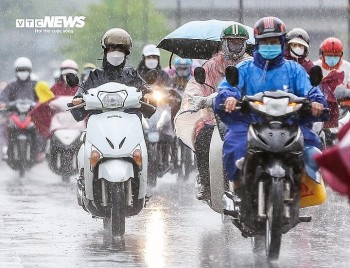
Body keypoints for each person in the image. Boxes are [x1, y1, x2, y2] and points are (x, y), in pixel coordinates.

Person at [214, 16, 327, 199]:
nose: (269, 45)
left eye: (273, 41)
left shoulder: (294, 69)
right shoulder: (245, 68)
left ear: (282, 42)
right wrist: (229, 98)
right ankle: (237, 191)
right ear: (257, 43)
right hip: (250, 124)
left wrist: (316, 102)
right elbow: (228, 88)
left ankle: (299, 188)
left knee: (313, 147)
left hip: (290, 123)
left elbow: (311, 90)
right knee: (234, 146)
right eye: (265, 41)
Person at [174, 22, 252, 200]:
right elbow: (195, 85)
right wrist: (198, 99)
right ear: (224, 43)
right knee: (202, 138)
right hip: (214, 117)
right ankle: (205, 180)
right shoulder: (211, 65)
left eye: (239, 43)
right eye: (231, 42)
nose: (235, 46)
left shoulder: (250, 65)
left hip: (244, 117)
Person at [70, 28, 155, 122]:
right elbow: (80, 94)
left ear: (126, 54)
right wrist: (78, 99)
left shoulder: (132, 74)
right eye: (112, 49)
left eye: (120, 50)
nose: (116, 53)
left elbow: (147, 91)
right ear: (105, 52)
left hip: (129, 123)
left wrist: (148, 94)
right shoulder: (94, 75)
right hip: (99, 123)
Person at [286, 29, 342, 129]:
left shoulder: (310, 67)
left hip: (301, 116)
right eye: (294, 45)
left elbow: (317, 92)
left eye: (300, 46)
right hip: (275, 114)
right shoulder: (277, 66)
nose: (297, 48)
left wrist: (316, 103)